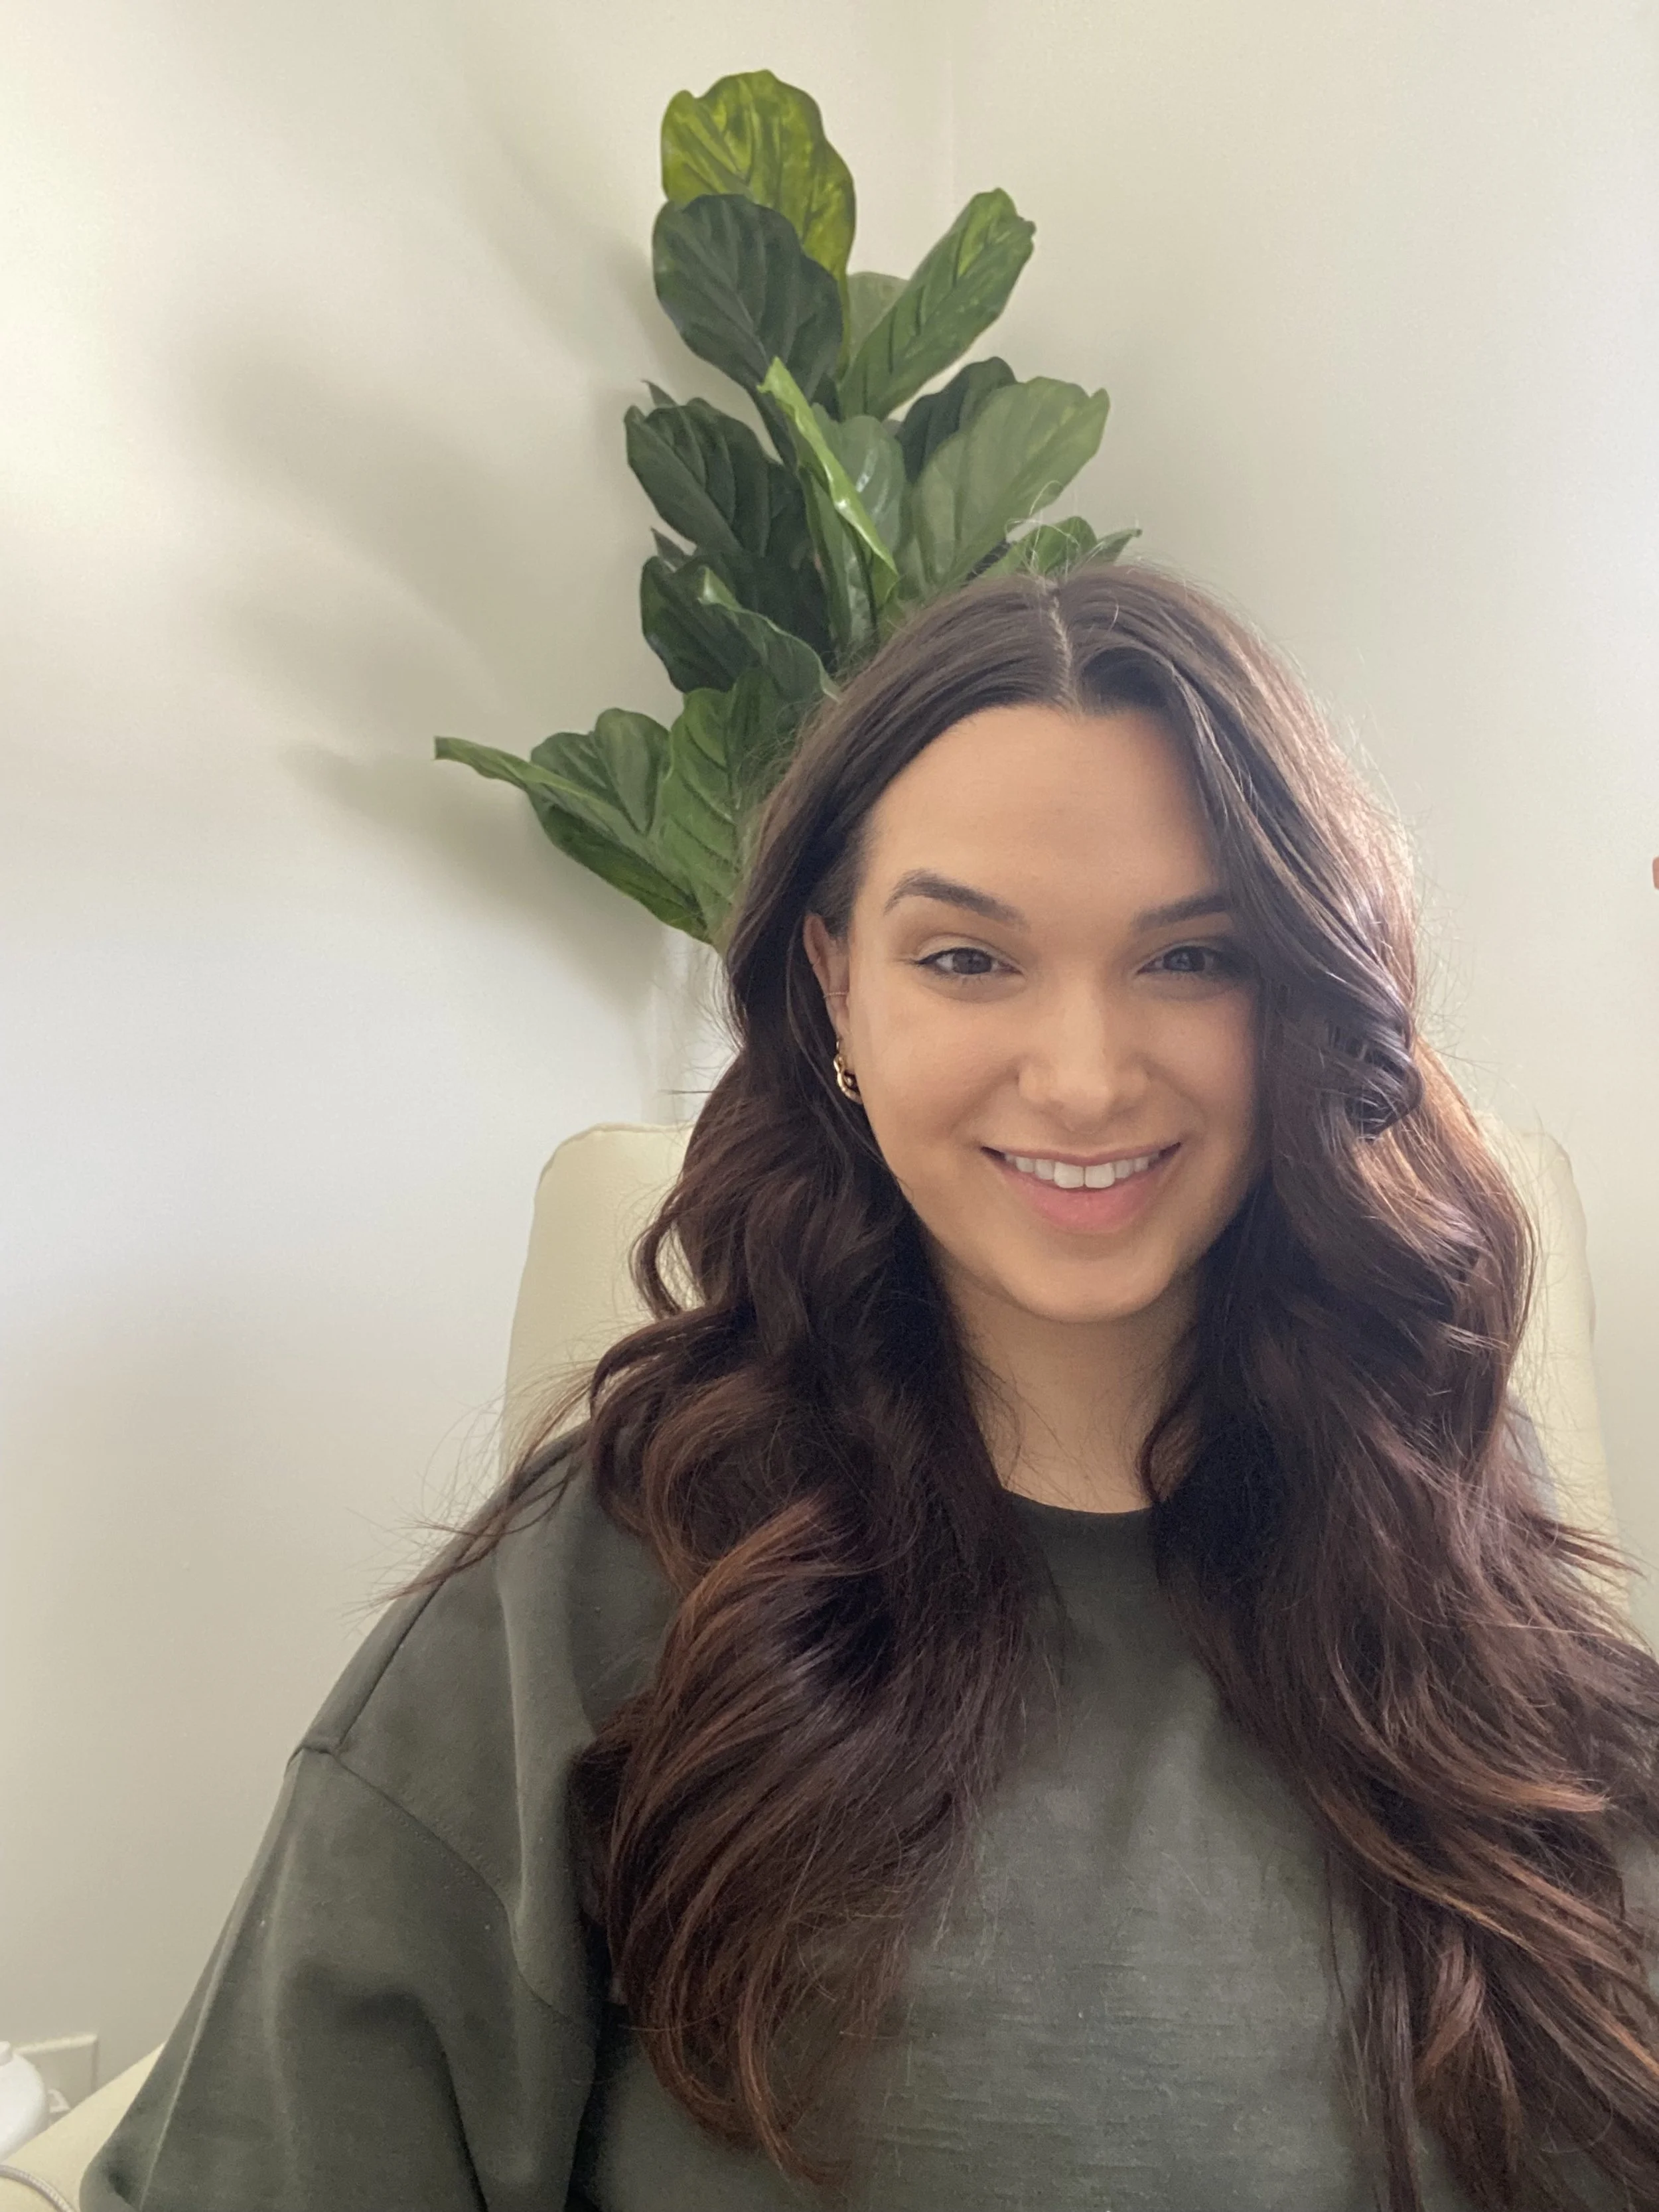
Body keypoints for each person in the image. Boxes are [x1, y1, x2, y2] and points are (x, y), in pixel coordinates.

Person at [87, 563, 1659, 2212]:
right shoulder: (601, 1595)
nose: (1081, 1076)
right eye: (967, 958)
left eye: (1191, 957)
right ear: (836, 986)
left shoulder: (1447, 1511)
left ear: (1303, 998)